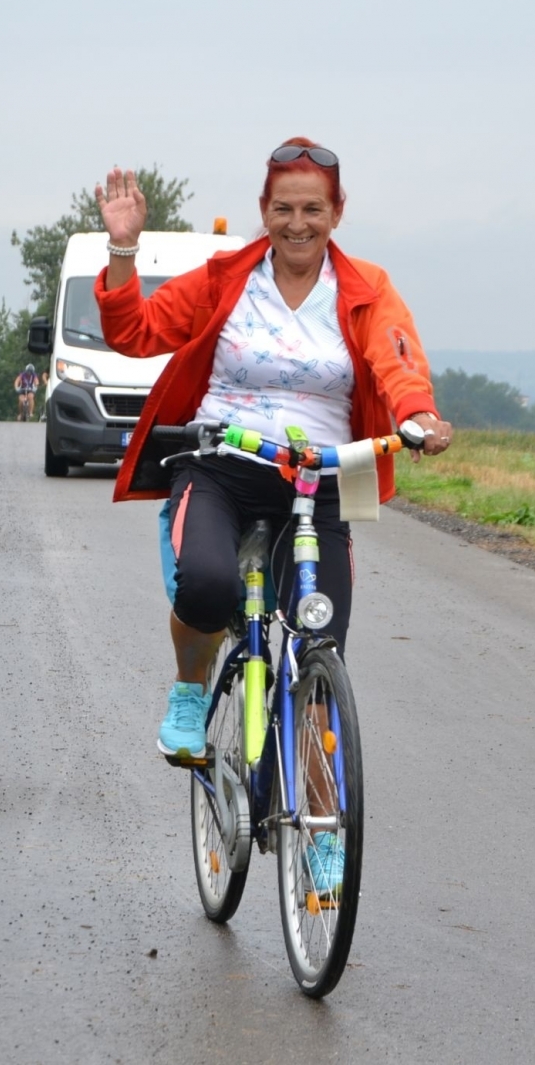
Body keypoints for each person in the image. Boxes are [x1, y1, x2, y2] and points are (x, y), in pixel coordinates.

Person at [95, 137, 453, 771]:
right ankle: (188, 690)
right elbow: (133, 331)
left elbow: (394, 356)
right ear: (264, 210)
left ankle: (322, 846)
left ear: (337, 213)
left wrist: (416, 412)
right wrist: (124, 248)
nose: (298, 224)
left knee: (321, 653)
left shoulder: (366, 287)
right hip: (222, 468)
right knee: (206, 586)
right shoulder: (226, 280)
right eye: (284, 208)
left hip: (317, 484)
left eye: (313, 209)